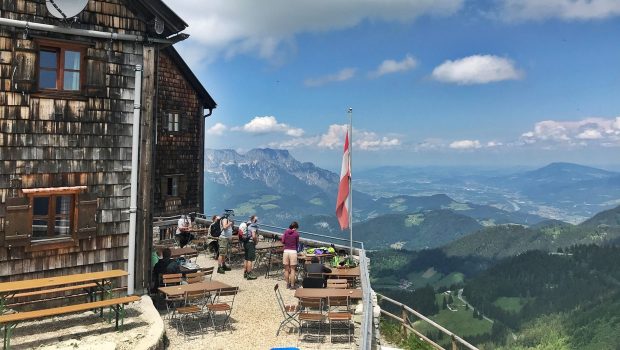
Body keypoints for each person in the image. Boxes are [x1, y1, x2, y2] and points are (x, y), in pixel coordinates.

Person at [281, 221, 300, 289]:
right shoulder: (296, 234)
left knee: (286, 269)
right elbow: (297, 244)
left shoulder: (285, 232)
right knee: (293, 269)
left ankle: (287, 284)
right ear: (295, 227)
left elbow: (283, 241)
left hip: (286, 251)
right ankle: (292, 285)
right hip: (293, 252)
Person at [242, 215, 259, 280]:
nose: (257, 221)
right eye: (256, 220)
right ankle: (249, 274)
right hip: (250, 243)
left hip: (246, 243)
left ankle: (245, 272)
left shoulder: (248, 225)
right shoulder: (253, 226)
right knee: (250, 259)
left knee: (246, 258)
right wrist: (255, 242)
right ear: (254, 220)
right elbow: (254, 236)